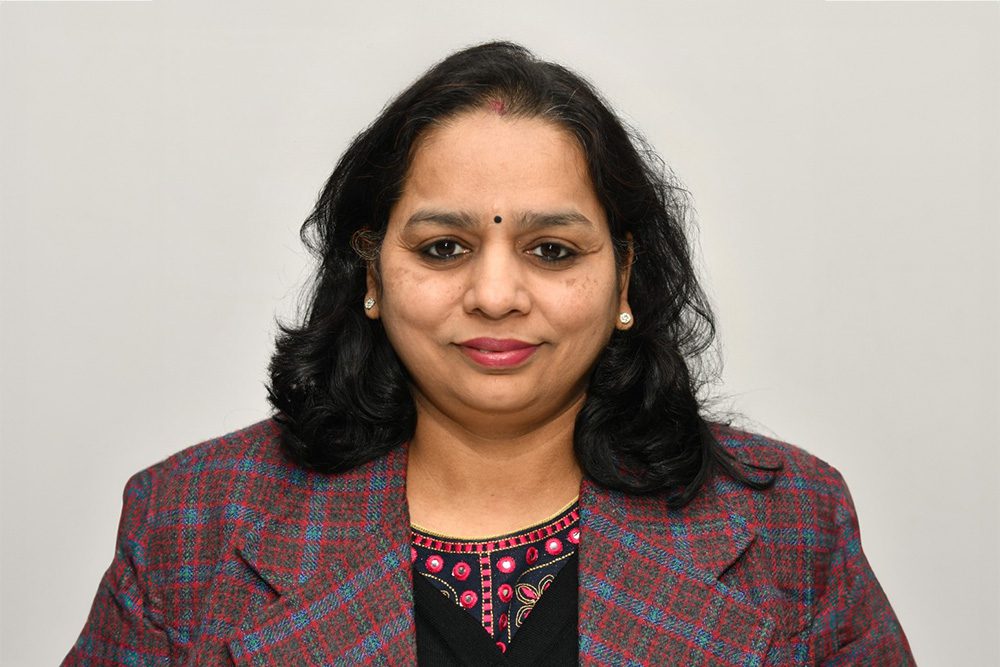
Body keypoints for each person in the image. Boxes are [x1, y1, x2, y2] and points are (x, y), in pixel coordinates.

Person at [64, 42, 913, 666]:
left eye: (552, 250)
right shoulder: (189, 524)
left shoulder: (792, 523)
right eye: (443, 249)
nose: (497, 294)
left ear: (625, 276)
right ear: (372, 271)